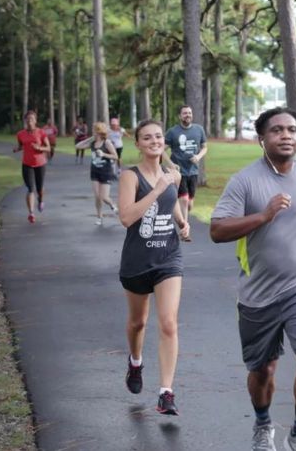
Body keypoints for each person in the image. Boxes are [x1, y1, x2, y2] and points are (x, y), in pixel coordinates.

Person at [210, 107, 296, 451]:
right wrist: (263, 215)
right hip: (258, 294)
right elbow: (217, 230)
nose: (286, 135)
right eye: (277, 130)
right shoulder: (245, 181)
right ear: (262, 139)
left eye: (292, 130)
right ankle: (263, 424)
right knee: (263, 370)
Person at [118, 119, 190, 416]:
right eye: (147, 138)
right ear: (138, 144)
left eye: (158, 136)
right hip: (137, 261)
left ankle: (166, 392)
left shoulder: (173, 173)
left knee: (169, 323)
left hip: (168, 258)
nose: (154, 141)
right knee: (138, 324)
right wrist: (158, 187)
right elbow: (126, 217)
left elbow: (171, 201)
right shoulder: (129, 177)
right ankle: (135, 361)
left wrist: (182, 221)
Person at [164, 105, 208, 225]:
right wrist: (171, 164)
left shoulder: (199, 130)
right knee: (183, 198)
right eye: (185, 113)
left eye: (189, 113)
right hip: (179, 172)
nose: (187, 115)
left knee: (189, 204)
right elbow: (161, 150)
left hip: (193, 171)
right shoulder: (173, 132)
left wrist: (198, 157)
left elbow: (205, 148)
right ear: (180, 116)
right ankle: (185, 226)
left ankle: (179, 213)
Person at [75, 122, 119, 225]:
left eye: (94, 130)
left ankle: (112, 204)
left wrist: (103, 154)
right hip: (95, 172)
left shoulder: (107, 143)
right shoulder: (92, 143)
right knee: (97, 196)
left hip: (106, 172)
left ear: (99, 131)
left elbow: (115, 156)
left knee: (104, 197)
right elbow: (78, 146)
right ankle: (99, 217)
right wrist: (90, 138)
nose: (93, 132)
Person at [13, 110, 51, 224]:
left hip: (40, 164)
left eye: (32, 119)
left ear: (35, 121)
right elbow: (21, 145)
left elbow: (48, 148)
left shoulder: (41, 132)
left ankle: (41, 200)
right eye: (28, 119)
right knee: (30, 188)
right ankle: (31, 213)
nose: (30, 121)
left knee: (39, 189)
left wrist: (39, 148)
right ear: (25, 121)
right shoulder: (20, 134)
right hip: (27, 164)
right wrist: (17, 149)